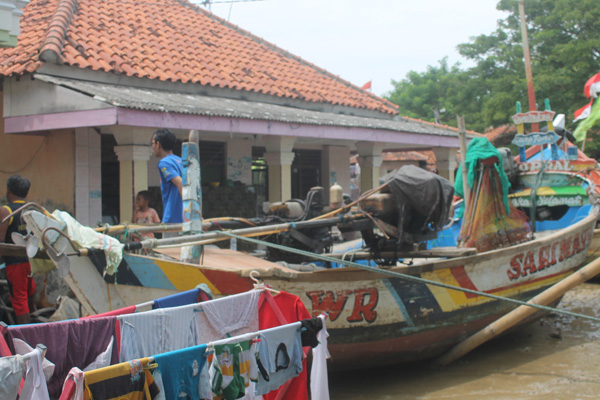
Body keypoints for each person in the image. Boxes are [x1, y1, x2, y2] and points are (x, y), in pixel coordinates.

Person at [0, 175, 36, 324]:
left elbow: (1, 240)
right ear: (26, 193)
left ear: (9, 191)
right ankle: (35, 323)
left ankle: (24, 336)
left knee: (19, 301)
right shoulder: (31, 209)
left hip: (15, 264)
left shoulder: (6, 210)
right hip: (31, 261)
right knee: (29, 294)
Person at [151, 129, 183, 224]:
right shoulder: (181, 161)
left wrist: (190, 210)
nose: (152, 147)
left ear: (158, 144)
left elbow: (180, 183)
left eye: (152, 143)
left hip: (173, 218)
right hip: (186, 218)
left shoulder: (164, 163)